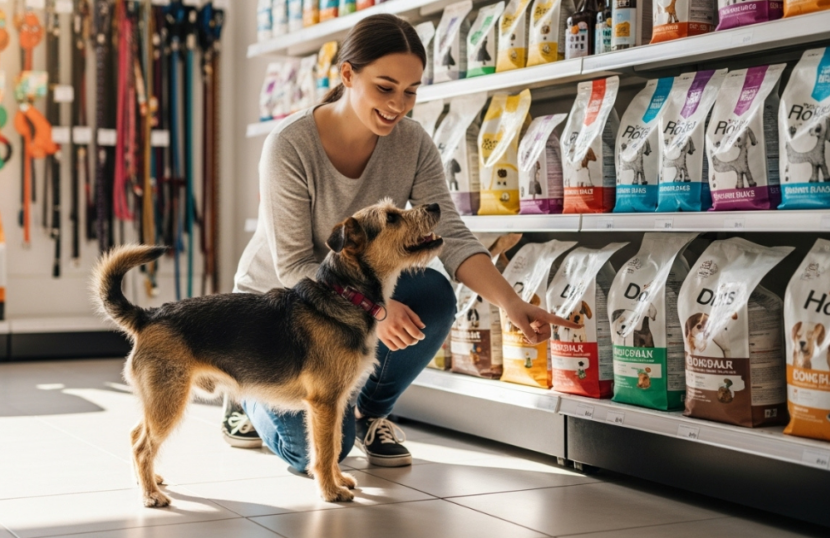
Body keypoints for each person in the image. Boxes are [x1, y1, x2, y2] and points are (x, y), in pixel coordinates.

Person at [226, 14, 576, 471]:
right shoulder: (290, 145)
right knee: (314, 452)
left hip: (353, 301)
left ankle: (371, 411)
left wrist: (511, 302)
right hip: (278, 314)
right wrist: (375, 310)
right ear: (348, 74)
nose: (398, 105)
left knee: (432, 293)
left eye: (410, 91)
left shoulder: (412, 143)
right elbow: (293, 264)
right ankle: (245, 396)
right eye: (385, 88)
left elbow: (446, 232)